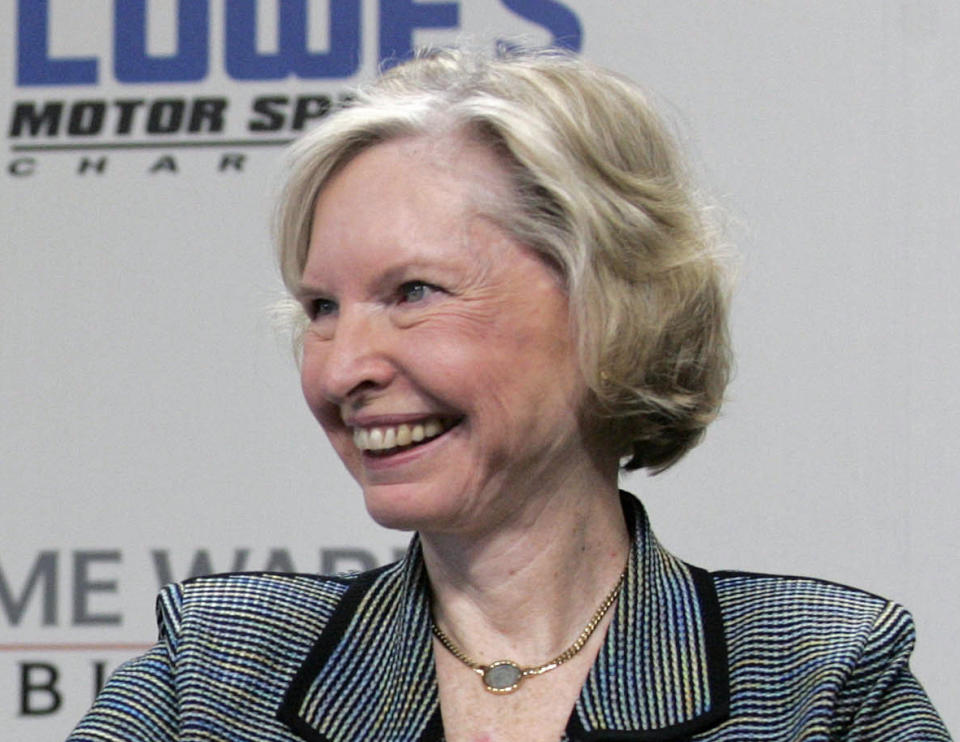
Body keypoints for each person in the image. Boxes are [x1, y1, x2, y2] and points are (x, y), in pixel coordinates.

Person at [68, 48, 950, 742]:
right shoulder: (222, 675)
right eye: (322, 308)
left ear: (606, 301)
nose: (341, 370)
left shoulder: (818, 682)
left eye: (413, 292)